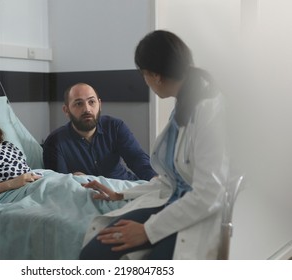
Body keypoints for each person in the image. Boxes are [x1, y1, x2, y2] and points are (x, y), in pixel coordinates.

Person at [79, 30, 230, 260]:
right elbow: (171, 179)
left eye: (143, 75)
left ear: (155, 76)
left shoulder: (207, 111)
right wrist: (120, 194)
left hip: (198, 214)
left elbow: (209, 193)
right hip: (175, 203)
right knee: (94, 252)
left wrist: (147, 231)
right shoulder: (183, 106)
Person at [43, 83, 157, 181]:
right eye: (78, 103)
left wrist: (155, 181)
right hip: (87, 195)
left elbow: (137, 159)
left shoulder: (115, 127)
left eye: (91, 102)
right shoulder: (55, 142)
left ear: (99, 105)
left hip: (123, 185)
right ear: (66, 110)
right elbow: (59, 184)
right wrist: (75, 179)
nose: (87, 109)